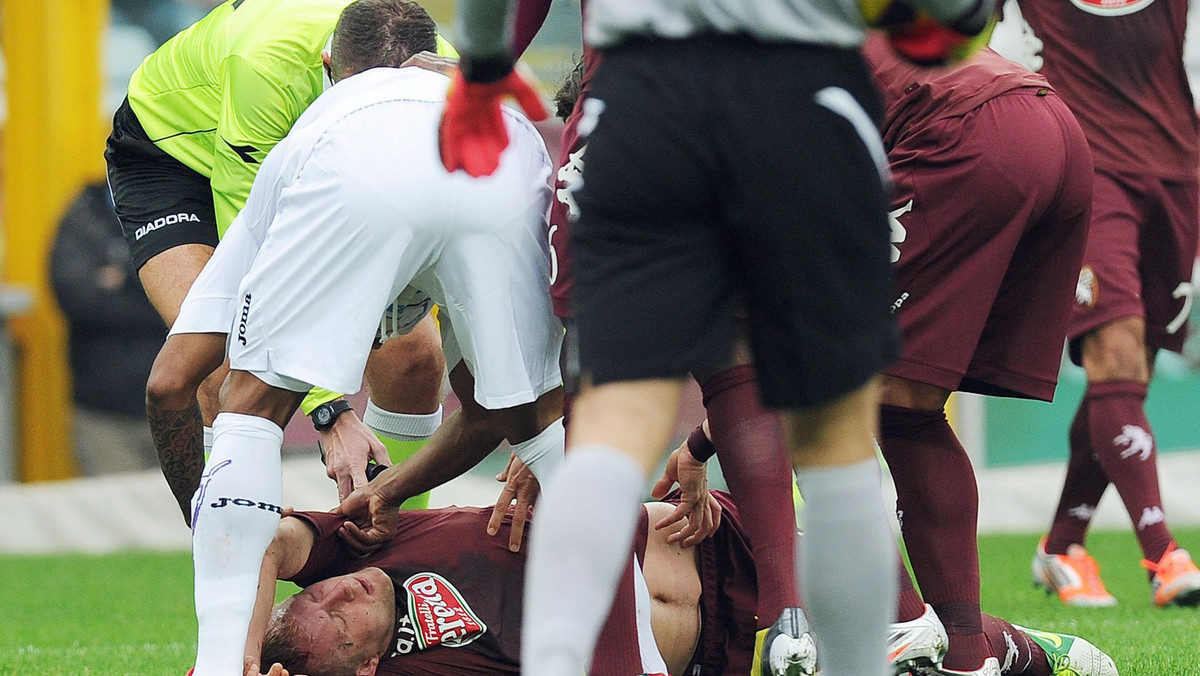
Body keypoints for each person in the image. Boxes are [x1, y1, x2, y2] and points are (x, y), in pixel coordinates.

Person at [434, 0, 997, 674]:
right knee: (833, 442)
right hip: (805, 96)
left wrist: (483, 65)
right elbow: (951, 15)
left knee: (614, 428)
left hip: (641, 104)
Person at [177, 2, 565, 671]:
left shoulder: (320, 123)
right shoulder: (266, 72)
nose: (335, 597)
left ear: (333, 67)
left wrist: (215, 508)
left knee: (244, 399)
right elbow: (511, 406)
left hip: (361, 158)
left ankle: (218, 663)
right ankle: (639, 640)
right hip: (167, 157)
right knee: (525, 409)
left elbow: (171, 382)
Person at [105, 0, 453, 523]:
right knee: (220, 364)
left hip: (320, 165)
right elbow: (259, 273)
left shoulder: (447, 79)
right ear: (328, 66)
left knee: (415, 357)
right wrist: (330, 412)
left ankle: (393, 553)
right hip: (174, 163)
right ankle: (232, 556)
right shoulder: (264, 68)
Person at [242, 492, 1119, 676]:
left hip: (712, 546)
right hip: (716, 656)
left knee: (873, 598)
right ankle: (1010, 655)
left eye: (323, 592)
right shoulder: (417, 673)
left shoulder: (375, 538)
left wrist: (233, 658)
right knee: (881, 665)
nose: (341, 596)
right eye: (336, 622)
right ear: (360, 668)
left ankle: (1004, 646)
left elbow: (264, 545)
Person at [860, 34, 1095, 676]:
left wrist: (705, 443)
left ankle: (907, 627)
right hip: (1047, 124)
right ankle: (967, 652)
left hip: (965, 132)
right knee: (902, 408)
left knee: (819, 395)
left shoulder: (706, 100)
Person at [1014, 0, 1200, 608]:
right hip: (1085, 165)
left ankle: (1063, 546)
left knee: (1126, 380)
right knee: (1115, 354)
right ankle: (1163, 554)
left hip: (1177, 171)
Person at [49, 182, 164, 475]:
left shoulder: (187, 198)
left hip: (187, 408)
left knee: (193, 517)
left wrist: (123, 275)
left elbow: (201, 294)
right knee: (110, 515)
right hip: (105, 414)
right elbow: (78, 297)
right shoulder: (85, 211)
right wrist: (155, 293)